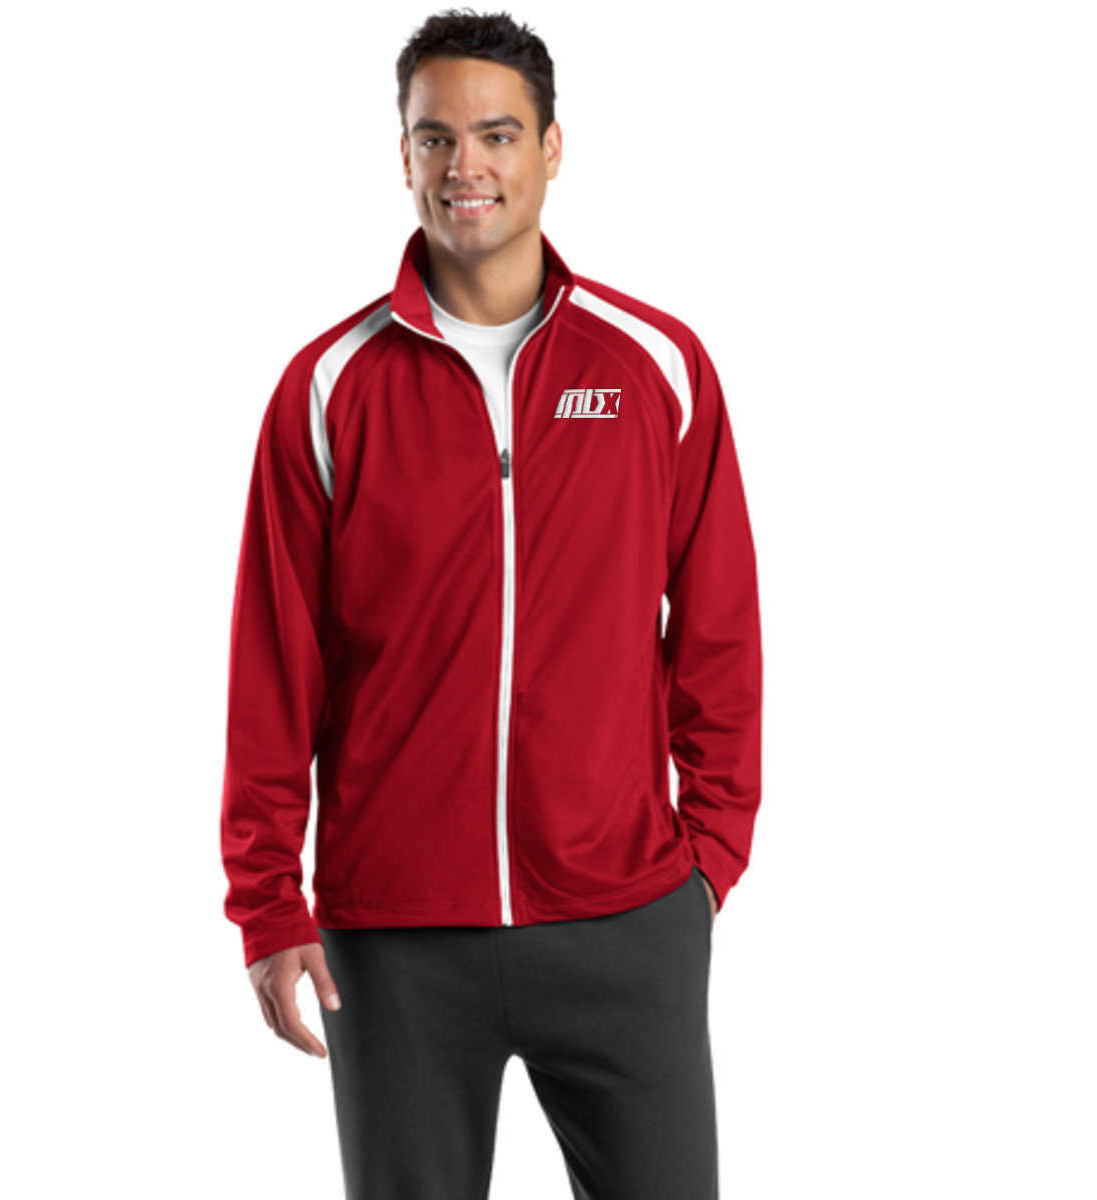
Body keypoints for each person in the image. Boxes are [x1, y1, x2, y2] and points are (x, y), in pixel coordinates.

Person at [219, 9, 762, 1198]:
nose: (467, 165)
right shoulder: (328, 389)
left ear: (552, 148)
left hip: (624, 918)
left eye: (498, 134)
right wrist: (267, 904)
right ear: (403, 155)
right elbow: (274, 664)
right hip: (395, 938)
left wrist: (707, 863)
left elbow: (718, 629)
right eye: (437, 137)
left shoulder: (656, 366)